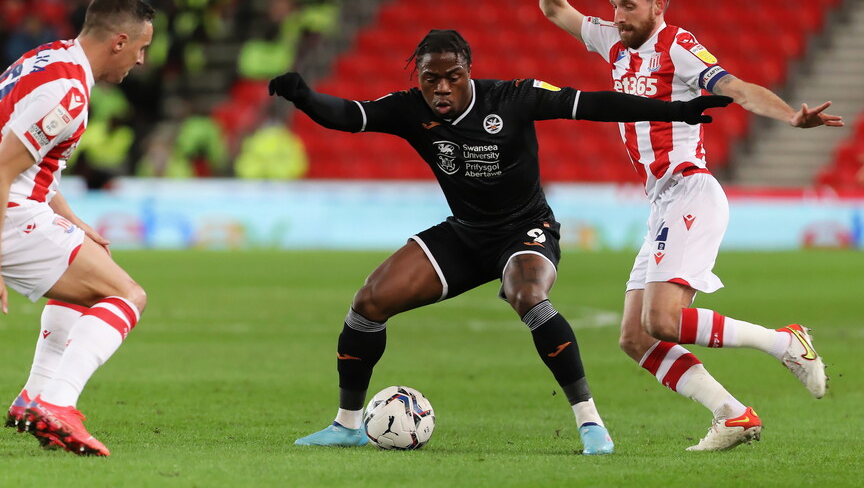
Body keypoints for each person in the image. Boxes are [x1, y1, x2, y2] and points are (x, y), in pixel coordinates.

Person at [269, 29, 733, 455]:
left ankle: (591, 422)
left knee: (526, 294)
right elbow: (350, 116)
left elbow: (592, 104)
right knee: (369, 302)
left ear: (468, 72)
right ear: (420, 78)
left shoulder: (512, 97)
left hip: (527, 229)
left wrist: (674, 112)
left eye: (453, 77)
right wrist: (305, 97)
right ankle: (348, 424)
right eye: (431, 79)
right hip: (466, 232)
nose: (442, 88)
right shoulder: (410, 108)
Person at [538, 0, 841, 451]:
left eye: (629, 5)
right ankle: (732, 413)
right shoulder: (612, 41)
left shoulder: (678, 47)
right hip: (662, 203)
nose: (618, 16)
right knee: (636, 337)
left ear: (658, 5)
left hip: (690, 191)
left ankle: (785, 343)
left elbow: (737, 89)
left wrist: (790, 116)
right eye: (614, 5)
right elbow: (554, 7)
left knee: (662, 321)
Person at [0, 0, 154, 457]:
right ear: (118, 42)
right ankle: (57, 403)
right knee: (126, 296)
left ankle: (35, 397)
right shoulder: (68, 93)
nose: (141, 60)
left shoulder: (49, 57)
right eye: (141, 48)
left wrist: (74, 223)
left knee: (88, 279)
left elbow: (30, 165)